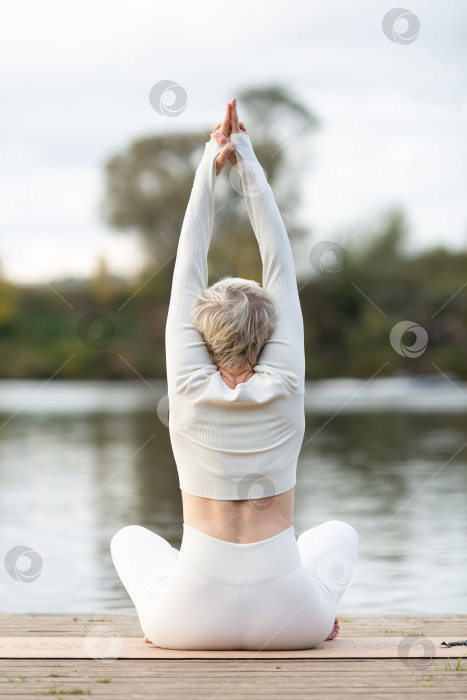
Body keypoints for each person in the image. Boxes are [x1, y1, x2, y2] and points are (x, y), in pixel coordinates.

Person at [110, 97, 359, 650]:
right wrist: (246, 155)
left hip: (184, 623)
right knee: (341, 533)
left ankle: (165, 608)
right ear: (273, 335)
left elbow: (187, 265)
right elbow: (281, 264)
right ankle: (324, 615)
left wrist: (211, 162)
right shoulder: (286, 383)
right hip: (294, 622)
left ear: (198, 337)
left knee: (129, 537)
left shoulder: (188, 388)